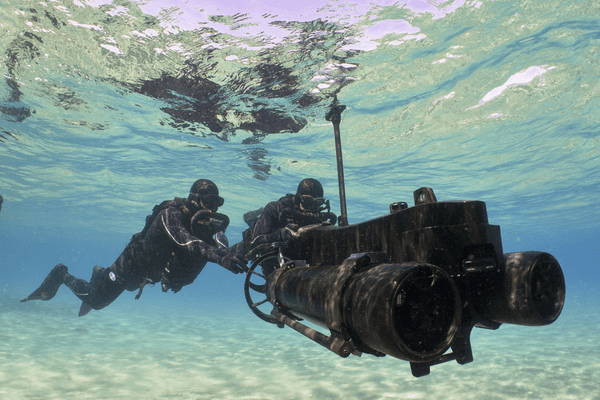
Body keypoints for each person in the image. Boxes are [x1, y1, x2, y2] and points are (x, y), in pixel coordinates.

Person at [21, 179, 247, 316]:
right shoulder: (170, 215)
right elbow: (184, 241)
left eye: (217, 204)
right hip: (130, 266)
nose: (213, 210)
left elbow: (219, 243)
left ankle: (99, 274)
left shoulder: (205, 225)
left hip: (149, 275)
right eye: (209, 202)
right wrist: (221, 258)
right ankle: (62, 274)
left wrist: (232, 251)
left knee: (128, 289)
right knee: (97, 301)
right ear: (195, 199)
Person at [233, 178, 337, 259]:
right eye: (308, 200)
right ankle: (249, 218)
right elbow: (256, 242)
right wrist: (280, 234)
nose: (313, 207)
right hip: (265, 240)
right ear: (299, 197)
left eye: (318, 202)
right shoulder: (275, 208)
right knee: (250, 232)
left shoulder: (319, 217)